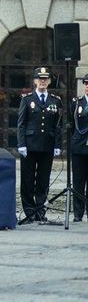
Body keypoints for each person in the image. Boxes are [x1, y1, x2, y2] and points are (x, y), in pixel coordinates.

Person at [17, 67, 62, 223]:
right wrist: (21, 144)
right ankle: (29, 211)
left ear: (49, 81)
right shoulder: (27, 99)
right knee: (28, 180)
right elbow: (21, 124)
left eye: (45, 79)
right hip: (29, 146)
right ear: (35, 81)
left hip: (47, 145)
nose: (42, 81)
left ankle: (40, 210)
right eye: (39, 79)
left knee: (43, 180)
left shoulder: (55, 100)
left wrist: (57, 144)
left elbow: (58, 125)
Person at [71, 74, 88, 222]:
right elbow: (72, 125)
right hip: (79, 147)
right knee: (78, 181)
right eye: (87, 84)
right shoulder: (77, 103)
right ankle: (78, 213)